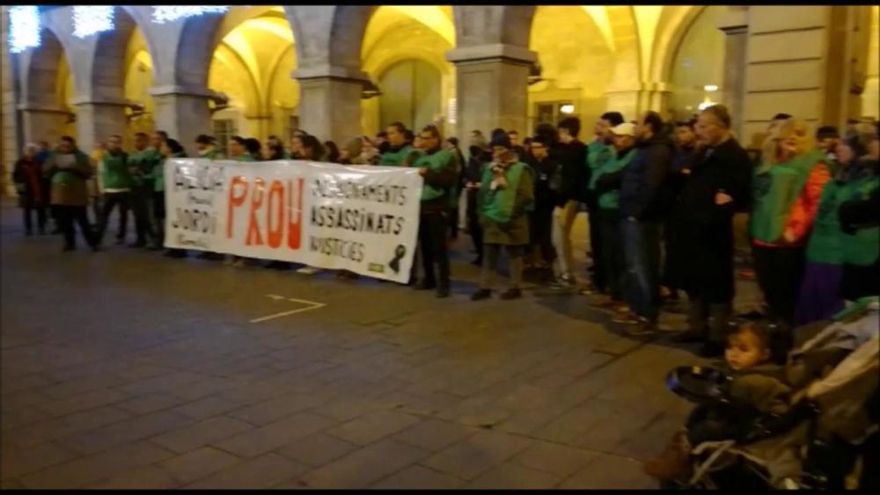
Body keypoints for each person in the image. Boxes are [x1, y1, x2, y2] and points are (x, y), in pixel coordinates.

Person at [644, 323, 788, 482]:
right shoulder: (756, 374)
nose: (734, 354)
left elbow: (769, 404)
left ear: (764, 354)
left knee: (705, 428)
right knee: (700, 411)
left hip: (752, 426)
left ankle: (680, 462)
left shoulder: (755, 381)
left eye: (743, 349)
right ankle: (682, 446)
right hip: (746, 417)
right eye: (730, 348)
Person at [668, 105, 753, 357]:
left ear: (722, 126)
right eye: (698, 126)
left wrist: (719, 208)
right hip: (692, 227)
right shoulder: (705, 151)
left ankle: (718, 336)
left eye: (705, 126)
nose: (698, 131)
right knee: (695, 280)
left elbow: (734, 194)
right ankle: (696, 327)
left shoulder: (734, 155)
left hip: (713, 229)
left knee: (716, 284)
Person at [751, 118, 832, 331]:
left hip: (788, 242)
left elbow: (817, 201)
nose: (793, 137)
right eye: (789, 132)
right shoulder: (768, 161)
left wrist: (794, 231)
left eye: (800, 133)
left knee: (787, 297)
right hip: (762, 237)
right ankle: (775, 336)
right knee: (771, 294)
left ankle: (787, 342)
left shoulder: (814, 163)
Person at [792, 138, 865, 326]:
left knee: (832, 312)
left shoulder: (865, 183)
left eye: (846, 145)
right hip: (817, 251)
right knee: (810, 308)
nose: (839, 148)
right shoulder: (835, 177)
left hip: (839, 255)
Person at [614, 111, 675, 334]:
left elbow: (652, 185)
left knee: (643, 266)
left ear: (648, 126)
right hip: (633, 215)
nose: (634, 127)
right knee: (634, 265)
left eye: (637, 123)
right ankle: (637, 308)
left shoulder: (658, 151)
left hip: (642, 218)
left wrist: (637, 212)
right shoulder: (646, 148)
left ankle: (648, 315)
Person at [471, 133, 534, 301]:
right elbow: (484, 192)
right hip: (492, 216)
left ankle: (515, 286)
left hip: (513, 218)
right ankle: (485, 286)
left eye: (500, 149)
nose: (497, 152)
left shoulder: (521, 169)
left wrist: (512, 212)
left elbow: (526, 195)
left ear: (509, 150)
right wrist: (482, 213)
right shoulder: (489, 169)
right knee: (490, 253)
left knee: (514, 255)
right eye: (495, 149)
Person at [588, 122, 639, 314]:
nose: (617, 140)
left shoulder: (633, 156)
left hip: (620, 210)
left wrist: (605, 180)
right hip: (605, 208)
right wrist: (603, 180)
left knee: (622, 257)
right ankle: (614, 293)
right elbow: (598, 178)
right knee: (608, 254)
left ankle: (625, 297)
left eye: (621, 137)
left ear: (630, 138)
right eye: (616, 137)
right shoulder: (614, 154)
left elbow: (615, 177)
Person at [411, 124, 460, 297]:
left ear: (435, 139)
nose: (422, 141)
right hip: (421, 206)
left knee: (439, 248)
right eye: (421, 137)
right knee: (425, 247)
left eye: (426, 138)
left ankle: (443, 283)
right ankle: (429, 278)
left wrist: (428, 174)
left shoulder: (447, 157)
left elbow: (448, 180)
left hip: (437, 206)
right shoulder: (418, 157)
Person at [584, 112, 625, 295]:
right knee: (597, 242)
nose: (597, 128)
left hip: (610, 200)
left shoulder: (615, 150)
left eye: (602, 125)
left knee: (609, 246)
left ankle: (611, 285)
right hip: (595, 196)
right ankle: (600, 280)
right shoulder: (594, 146)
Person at [836, 132, 879, 303]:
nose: (872, 144)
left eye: (876, 140)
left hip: (868, 257)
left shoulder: (868, 174)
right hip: (859, 253)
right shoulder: (870, 171)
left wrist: (845, 210)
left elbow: (867, 210)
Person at [662, 119, 700, 303]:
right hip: (672, 206)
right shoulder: (675, 152)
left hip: (689, 208)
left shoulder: (698, 153)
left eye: (684, 131)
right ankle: (671, 287)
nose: (680, 136)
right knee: (671, 249)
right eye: (679, 132)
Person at [43, 136, 99, 252]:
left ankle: (92, 243)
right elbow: (44, 170)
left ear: (73, 145)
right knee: (65, 221)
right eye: (63, 145)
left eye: (68, 146)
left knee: (83, 221)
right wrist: (54, 164)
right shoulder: (54, 155)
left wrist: (75, 166)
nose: (65, 148)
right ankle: (69, 243)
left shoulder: (81, 156)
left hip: (77, 194)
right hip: (60, 195)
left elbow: (89, 172)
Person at [551, 117, 589, 288]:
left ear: (565, 131)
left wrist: (560, 203)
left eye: (560, 131)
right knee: (561, 236)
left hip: (567, 200)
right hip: (570, 198)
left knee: (560, 236)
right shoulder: (579, 149)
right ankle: (565, 271)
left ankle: (567, 273)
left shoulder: (573, 151)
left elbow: (569, 179)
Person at [527, 136, 560, 274]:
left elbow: (553, 186)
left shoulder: (552, 165)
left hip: (546, 206)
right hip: (532, 205)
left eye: (537, 147)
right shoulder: (531, 164)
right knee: (531, 235)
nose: (534, 151)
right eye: (532, 148)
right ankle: (533, 263)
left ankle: (548, 264)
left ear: (545, 147)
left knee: (545, 236)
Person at [127, 132, 162, 248]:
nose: (137, 143)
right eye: (135, 140)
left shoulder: (152, 153)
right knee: (138, 215)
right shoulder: (132, 154)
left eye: (139, 140)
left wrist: (139, 170)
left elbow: (151, 167)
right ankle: (140, 238)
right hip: (134, 186)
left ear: (145, 141)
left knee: (148, 215)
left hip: (147, 186)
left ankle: (154, 239)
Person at [96, 134, 132, 246]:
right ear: (108, 143)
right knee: (104, 216)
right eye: (112, 142)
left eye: (117, 142)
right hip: (109, 190)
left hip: (124, 189)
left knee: (123, 215)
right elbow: (100, 173)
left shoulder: (125, 156)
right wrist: (101, 189)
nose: (114, 144)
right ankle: (98, 238)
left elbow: (129, 171)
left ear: (120, 143)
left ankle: (121, 236)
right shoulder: (103, 157)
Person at [154, 138, 188, 257]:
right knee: (166, 219)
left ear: (169, 148)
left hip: (172, 193)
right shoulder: (163, 160)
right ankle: (172, 245)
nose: (161, 148)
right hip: (161, 190)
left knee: (174, 219)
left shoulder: (177, 160)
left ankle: (179, 247)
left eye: (163, 146)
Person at [12, 144, 47, 236]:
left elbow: (44, 174)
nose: (31, 152)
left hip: (38, 189)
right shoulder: (20, 162)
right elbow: (15, 175)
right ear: (25, 151)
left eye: (33, 150)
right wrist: (19, 185)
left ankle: (41, 227)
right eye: (29, 150)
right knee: (27, 210)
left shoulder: (39, 162)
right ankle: (28, 229)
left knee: (40, 210)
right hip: (26, 190)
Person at [464, 144, 488, 266]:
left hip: (482, 199)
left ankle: (484, 255)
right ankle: (481, 253)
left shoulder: (487, 163)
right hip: (474, 197)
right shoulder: (474, 162)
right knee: (476, 228)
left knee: (480, 228)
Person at [445, 137, 466, 241]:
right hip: (456, 184)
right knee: (454, 207)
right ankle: (453, 231)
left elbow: (457, 169)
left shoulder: (453, 153)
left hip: (454, 184)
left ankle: (453, 231)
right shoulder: (457, 152)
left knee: (453, 207)